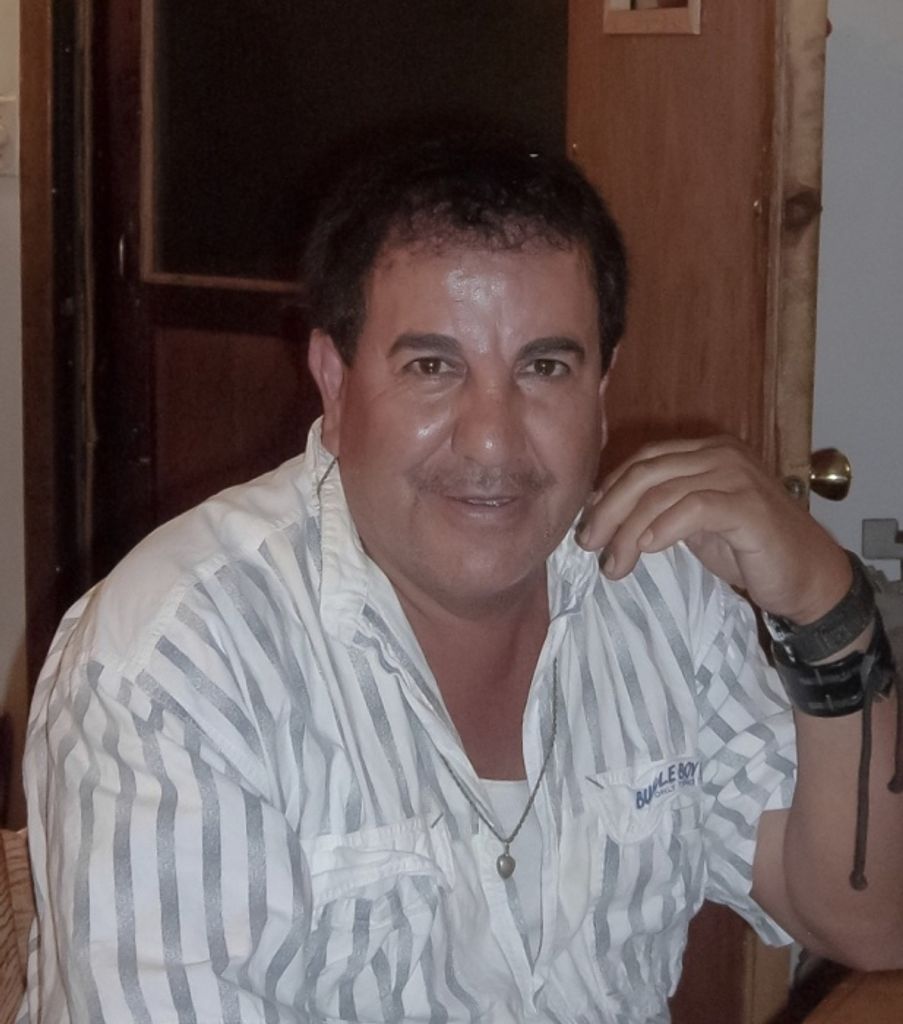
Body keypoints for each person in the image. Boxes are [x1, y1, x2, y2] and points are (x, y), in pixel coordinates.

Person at [20, 131, 902, 1024]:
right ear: (334, 383)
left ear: (601, 393)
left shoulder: (660, 590)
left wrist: (825, 609)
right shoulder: (175, 667)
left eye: (544, 368)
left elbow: (873, 922)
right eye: (432, 367)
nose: (491, 440)